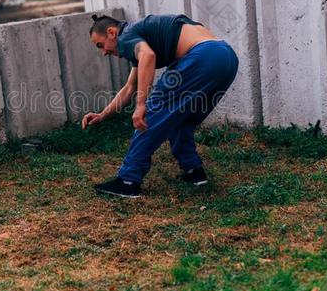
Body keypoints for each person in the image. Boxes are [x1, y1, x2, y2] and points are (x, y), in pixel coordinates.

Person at [82, 14, 239, 198]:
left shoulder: (125, 36)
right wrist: (102, 115)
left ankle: (128, 180)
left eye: (101, 45)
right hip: (226, 58)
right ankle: (193, 171)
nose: (104, 52)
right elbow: (129, 87)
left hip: (202, 56)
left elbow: (148, 55)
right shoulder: (137, 36)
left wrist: (141, 105)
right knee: (181, 118)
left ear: (111, 32)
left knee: (152, 113)